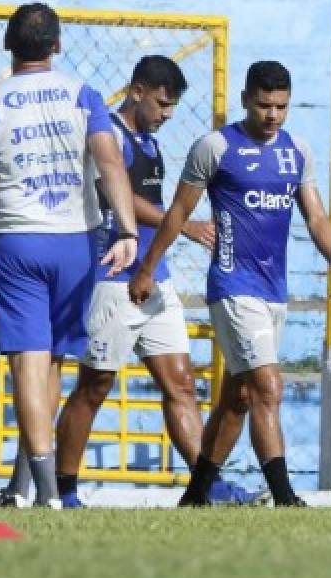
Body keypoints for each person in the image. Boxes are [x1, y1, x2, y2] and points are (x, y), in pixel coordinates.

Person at [0, 3, 136, 508]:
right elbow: (109, 162)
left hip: (19, 242)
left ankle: (45, 494)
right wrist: (126, 229)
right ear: (57, 45)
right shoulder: (83, 95)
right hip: (79, 243)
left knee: (27, 366)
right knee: (52, 364)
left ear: (7, 45)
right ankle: (23, 488)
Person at [130, 60, 331, 508]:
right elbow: (177, 212)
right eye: (265, 105)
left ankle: (195, 495)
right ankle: (286, 498)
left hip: (274, 289)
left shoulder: (297, 151)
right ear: (246, 100)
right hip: (234, 285)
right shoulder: (215, 147)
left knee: (238, 399)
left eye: (282, 107)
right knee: (269, 386)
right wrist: (149, 266)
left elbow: (313, 214)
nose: (273, 115)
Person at [54, 55, 260, 507]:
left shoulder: (148, 143)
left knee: (181, 383)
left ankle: (208, 485)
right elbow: (117, 195)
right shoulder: (108, 136)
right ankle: (63, 490)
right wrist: (182, 223)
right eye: (162, 104)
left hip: (154, 278)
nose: (166, 115)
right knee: (95, 385)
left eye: (172, 108)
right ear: (138, 90)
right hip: (114, 278)